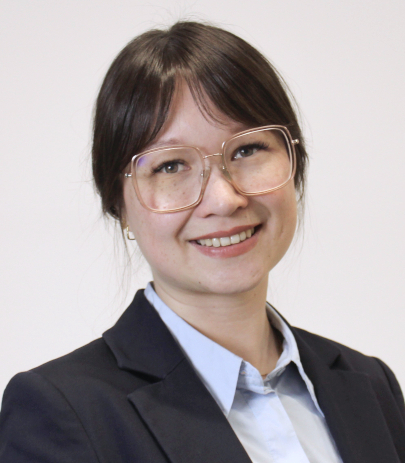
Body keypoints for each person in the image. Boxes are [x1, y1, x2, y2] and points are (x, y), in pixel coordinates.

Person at [0, 20, 404, 463]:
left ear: (295, 162)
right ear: (119, 204)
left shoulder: (372, 387)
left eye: (247, 150)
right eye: (170, 166)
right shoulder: (62, 412)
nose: (224, 199)